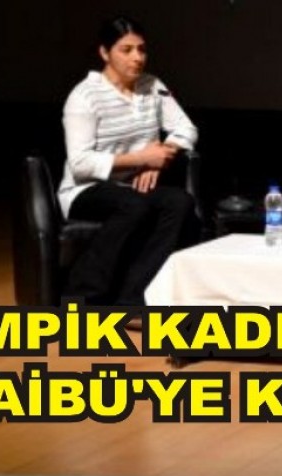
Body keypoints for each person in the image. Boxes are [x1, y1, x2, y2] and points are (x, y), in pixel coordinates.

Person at [57, 16, 199, 312]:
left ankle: (133, 296)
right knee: (134, 205)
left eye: (141, 49)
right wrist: (141, 158)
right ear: (105, 53)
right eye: (126, 50)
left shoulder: (152, 86)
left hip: (131, 187)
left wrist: (159, 158)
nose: (137, 57)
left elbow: (186, 128)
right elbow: (80, 163)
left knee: (180, 202)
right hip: (86, 190)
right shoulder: (84, 97)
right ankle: (81, 296)